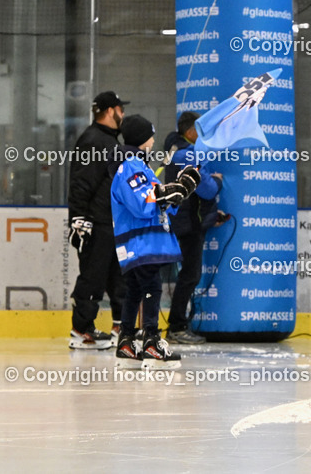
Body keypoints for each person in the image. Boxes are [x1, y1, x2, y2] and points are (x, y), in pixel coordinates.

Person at [111, 115, 200, 369]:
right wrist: (172, 190)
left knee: (136, 289)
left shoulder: (139, 166)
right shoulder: (130, 166)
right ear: (141, 140)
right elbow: (142, 203)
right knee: (151, 285)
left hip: (142, 241)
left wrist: (182, 189)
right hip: (141, 241)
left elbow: (158, 205)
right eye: (150, 135)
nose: (153, 140)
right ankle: (151, 340)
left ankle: (127, 341)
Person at [67, 91, 128, 349]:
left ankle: (119, 326)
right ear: (110, 111)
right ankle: (81, 330)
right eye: (120, 109)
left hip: (111, 222)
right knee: (92, 277)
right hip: (95, 223)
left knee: (117, 277)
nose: (123, 114)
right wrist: (80, 219)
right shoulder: (93, 141)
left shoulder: (109, 141)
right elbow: (81, 183)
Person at [162, 111, 224, 344]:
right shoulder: (187, 154)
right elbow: (206, 189)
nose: (205, 135)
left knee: (184, 275)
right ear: (190, 132)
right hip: (187, 224)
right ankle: (177, 327)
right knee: (190, 275)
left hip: (184, 219)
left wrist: (211, 215)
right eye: (201, 130)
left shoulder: (174, 148)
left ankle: (174, 325)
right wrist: (218, 180)